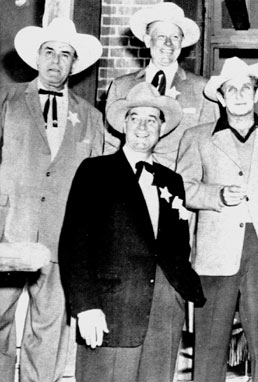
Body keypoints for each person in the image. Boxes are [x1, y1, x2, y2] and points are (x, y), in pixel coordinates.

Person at [59, 82, 205, 382]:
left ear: (161, 128)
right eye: (135, 118)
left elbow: (178, 247)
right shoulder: (94, 171)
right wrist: (85, 307)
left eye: (152, 119)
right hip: (112, 307)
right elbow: (74, 244)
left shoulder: (172, 181)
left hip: (164, 311)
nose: (143, 126)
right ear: (123, 124)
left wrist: (180, 293)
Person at [176, 57, 258, 382]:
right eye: (231, 89)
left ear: (256, 94)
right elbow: (185, 189)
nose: (240, 94)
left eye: (246, 87)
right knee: (209, 348)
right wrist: (215, 195)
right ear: (220, 97)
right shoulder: (197, 137)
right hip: (214, 253)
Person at [0, 18, 104, 382]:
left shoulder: (91, 118)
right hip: (9, 234)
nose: (56, 61)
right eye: (49, 52)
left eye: (65, 54)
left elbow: (96, 185)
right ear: (36, 58)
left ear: (75, 64)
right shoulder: (6, 100)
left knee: (50, 330)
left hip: (64, 239)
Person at [105, 2, 219, 169]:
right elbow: (110, 143)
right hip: (128, 184)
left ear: (182, 43)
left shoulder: (202, 89)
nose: (168, 44)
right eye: (160, 36)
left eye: (175, 37)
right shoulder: (120, 86)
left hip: (179, 184)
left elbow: (210, 147)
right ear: (147, 40)